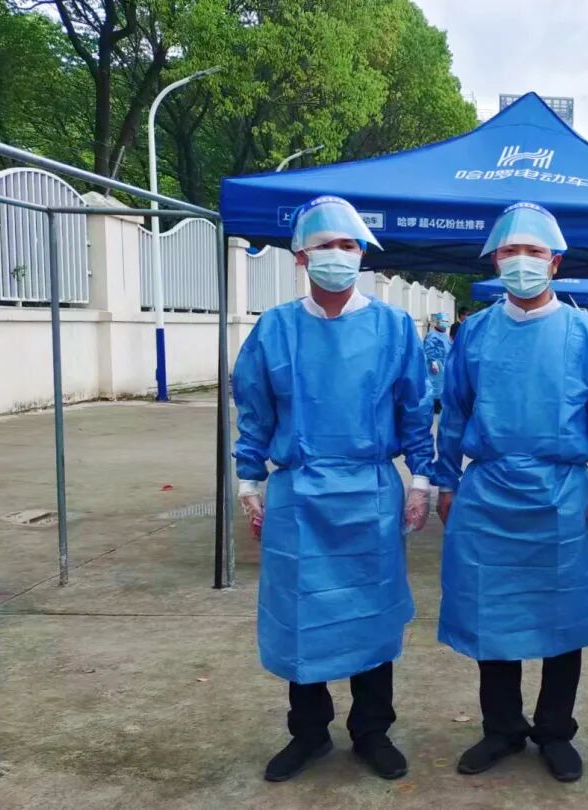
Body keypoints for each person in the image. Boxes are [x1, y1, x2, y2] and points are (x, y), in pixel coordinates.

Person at [232, 196, 435, 783]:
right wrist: (249, 479)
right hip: (300, 492)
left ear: (363, 253)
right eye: (326, 245)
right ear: (301, 256)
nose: (339, 255)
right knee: (303, 611)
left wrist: (420, 479)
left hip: (370, 489)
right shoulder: (275, 329)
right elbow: (254, 408)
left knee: (372, 612)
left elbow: (415, 408)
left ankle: (372, 730)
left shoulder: (393, 327)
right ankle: (309, 732)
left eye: (349, 245)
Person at [435, 202, 588, 783]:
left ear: (556, 262)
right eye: (510, 251)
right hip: (489, 490)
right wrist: (445, 479)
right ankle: (501, 728)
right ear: (495, 260)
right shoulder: (475, 331)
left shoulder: (586, 333)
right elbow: (454, 412)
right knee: (490, 614)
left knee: (562, 616)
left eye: (534, 251)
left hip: (561, 493)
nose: (521, 261)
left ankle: (554, 731)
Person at [423, 313, 452, 414]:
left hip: (444, 362)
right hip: (436, 364)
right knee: (436, 384)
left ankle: (439, 403)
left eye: (446, 321)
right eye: (442, 321)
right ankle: (435, 405)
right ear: (437, 322)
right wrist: (433, 362)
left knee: (442, 384)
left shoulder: (445, 335)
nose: (444, 323)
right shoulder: (432, 335)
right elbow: (428, 349)